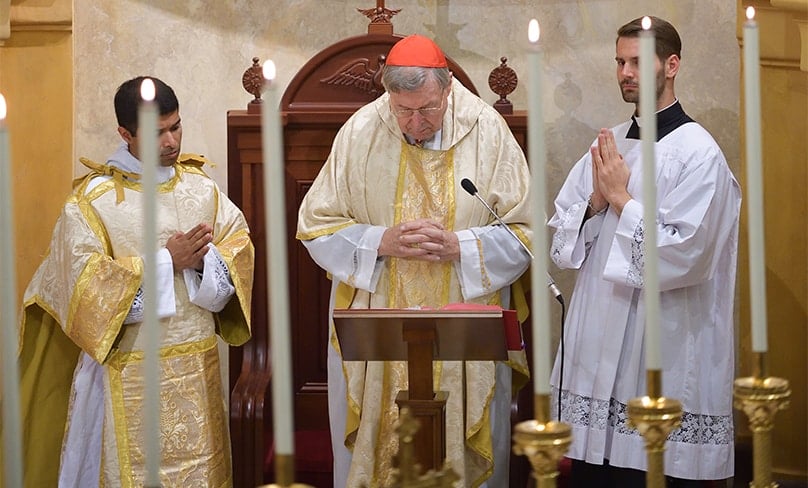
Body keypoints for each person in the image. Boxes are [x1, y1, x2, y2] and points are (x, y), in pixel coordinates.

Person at [296, 35, 533, 488]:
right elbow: (315, 226)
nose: (414, 122)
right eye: (403, 110)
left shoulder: (487, 131)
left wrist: (460, 246)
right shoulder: (362, 130)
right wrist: (380, 241)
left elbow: (524, 235)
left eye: (426, 109)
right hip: (379, 325)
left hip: (465, 324)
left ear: (447, 90)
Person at [16, 76, 254, 486]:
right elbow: (82, 290)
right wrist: (167, 262)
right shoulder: (92, 203)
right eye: (157, 132)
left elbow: (238, 250)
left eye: (176, 126)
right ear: (125, 133)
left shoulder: (202, 191)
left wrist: (201, 263)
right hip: (124, 376)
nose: (171, 141)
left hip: (196, 371)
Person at [548, 16, 740, 487]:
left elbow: (688, 254)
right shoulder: (606, 145)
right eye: (620, 61)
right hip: (596, 345)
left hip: (665, 344)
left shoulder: (699, 153)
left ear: (671, 65)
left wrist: (621, 201)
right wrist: (595, 202)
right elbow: (563, 243)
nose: (624, 72)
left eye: (636, 61)